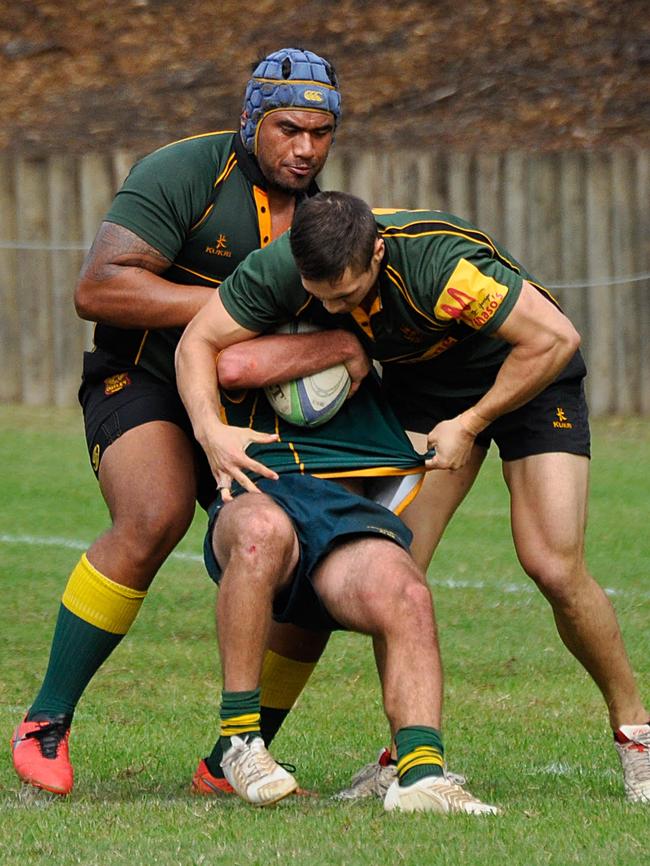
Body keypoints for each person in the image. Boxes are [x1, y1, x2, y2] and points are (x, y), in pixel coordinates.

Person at [176, 190, 650, 805]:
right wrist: (210, 431)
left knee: (553, 564)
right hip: (429, 392)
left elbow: (555, 337)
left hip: (531, 377)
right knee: (397, 567)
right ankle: (407, 756)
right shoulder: (286, 266)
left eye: (347, 296)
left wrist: (474, 421)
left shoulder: (439, 265)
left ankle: (636, 733)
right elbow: (197, 342)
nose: (334, 307)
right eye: (322, 298)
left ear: (376, 251)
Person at [11, 47, 354, 798]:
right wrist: (239, 305)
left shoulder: (327, 217)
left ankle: (232, 756)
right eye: (289, 129)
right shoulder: (183, 172)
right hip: (143, 381)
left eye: (321, 133)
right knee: (154, 513)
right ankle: (45, 722)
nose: (305, 148)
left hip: (247, 406)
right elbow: (99, 288)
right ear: (251, 119)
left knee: (314, 562)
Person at [175, 304, 498, 814]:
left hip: (341, 511)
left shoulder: (373, 307)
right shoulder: (242, 303)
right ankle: (240, 743)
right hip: (259, 492)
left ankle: (420, 774)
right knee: (261, 532)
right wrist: (338, 351)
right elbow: (231, 365)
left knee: (408, 589)